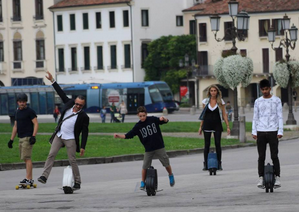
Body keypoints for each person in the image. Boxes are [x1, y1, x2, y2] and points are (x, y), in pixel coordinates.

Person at [38, 71, 90, 190]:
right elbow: (60, 92)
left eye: (80, 105)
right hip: (60, 135)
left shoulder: (83, 117)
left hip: (71, 138)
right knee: (51, 155)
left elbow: (85, 132)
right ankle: (44, 176)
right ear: (74, 102)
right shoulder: (69, 103)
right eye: (76, 104)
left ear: (83, 106)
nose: (77, 106)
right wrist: (52, 80)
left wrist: (83, 146)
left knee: (72, 160)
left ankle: (77, 182)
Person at [114, 106, 175, 190]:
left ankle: (170, 175)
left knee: (166, 163)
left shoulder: (152, 119)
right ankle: (143, 182)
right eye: (140, 116)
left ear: (146, 114)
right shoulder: (138, 126)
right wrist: (118, 136)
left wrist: (163, 119)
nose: (142, 117)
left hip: (159, 146)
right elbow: (128, 135)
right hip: (148, 149)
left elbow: (165, 121)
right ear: (138, 116)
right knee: (145, 166)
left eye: (144, 115)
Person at [252, 79, 283, 189]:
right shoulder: (258, 101)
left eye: (266, 89)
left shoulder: (276, 100)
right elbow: (255, 117)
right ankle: (260, 177)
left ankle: (277, 177)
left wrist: (280, 131)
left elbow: (280, 116)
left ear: (270, 89)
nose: (265, 91)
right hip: (261, 131)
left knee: (274, 155)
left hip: (273, 130)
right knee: (261, 156)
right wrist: (254, 131)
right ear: (261, 90)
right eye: (263, 90)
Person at [8, 93, 38, 186]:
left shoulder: (30, 111)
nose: (22, 103)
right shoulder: (17, 112)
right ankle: (30, 179)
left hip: (27, 137)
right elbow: (15, 126)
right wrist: (11, 140)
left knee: (27, 158)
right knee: (25, 159)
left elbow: (36, 124)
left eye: (24, 102)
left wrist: (33, 136)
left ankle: (28, 179)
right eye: (20, 102)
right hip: (20, 137)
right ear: (17, 102)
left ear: (26, 102)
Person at [198, 85, 230, 171]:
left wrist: (227, 126)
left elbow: (224, 114)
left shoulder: (220, 102)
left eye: (214, 91)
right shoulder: (205, 101)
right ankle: (205, 164)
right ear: (209, 92)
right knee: (207, 145)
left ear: (217, 92)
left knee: (217, 144)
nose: (213, 92)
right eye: (211, 91)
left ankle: (219, 163)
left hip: (217, 125)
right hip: (207, 124)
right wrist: (200, 126)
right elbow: (203, 115)